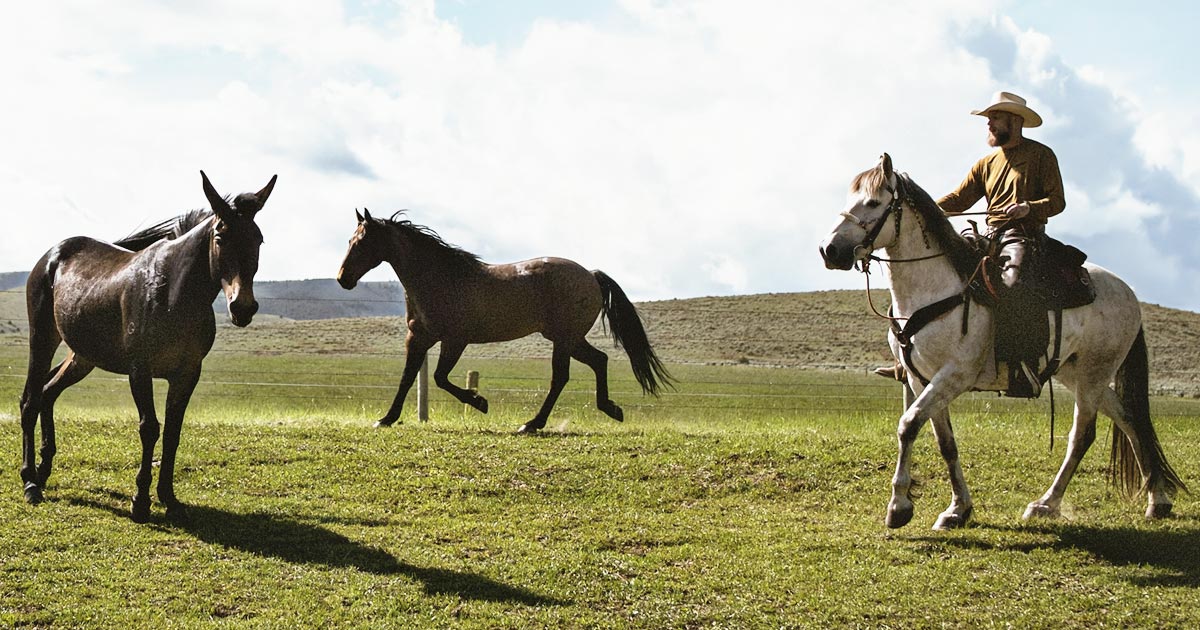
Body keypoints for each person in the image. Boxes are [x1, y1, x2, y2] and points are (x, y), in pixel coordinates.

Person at [876, 91, 1065, 395]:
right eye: (988, 118)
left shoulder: (1042, 155)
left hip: (1022, 236)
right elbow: (959, 199)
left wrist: (1028, 208)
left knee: (1013, 284)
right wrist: (923, 210)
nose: (989, 124)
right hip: (989, 236)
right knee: (943, 275)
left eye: (994, 118)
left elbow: (1057, 202)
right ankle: (913, 361)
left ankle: (1021, 365)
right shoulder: (986, 163)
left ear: (1014, 121)